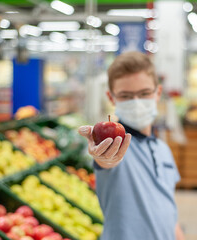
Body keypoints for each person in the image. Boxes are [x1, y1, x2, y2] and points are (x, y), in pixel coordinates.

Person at [78, 51, 185, 240]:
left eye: (144, 93)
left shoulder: (163, 149)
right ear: (112, 98)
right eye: (126, 96)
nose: (136, 102)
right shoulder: (116, 148)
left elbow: (167, 208)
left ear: (158, 93)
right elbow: (107, 162)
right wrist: (104, 157)